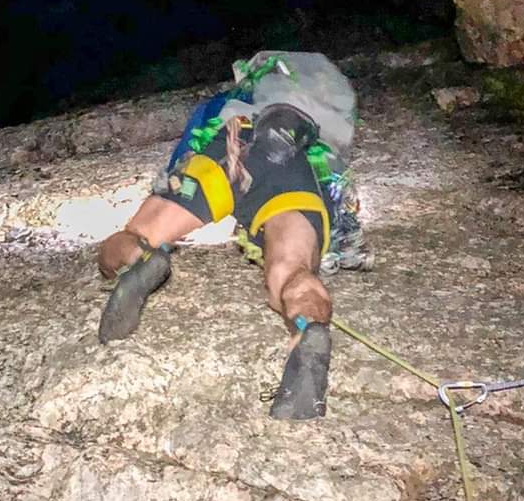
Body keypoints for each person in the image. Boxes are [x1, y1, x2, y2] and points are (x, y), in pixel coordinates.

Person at [96, 51, 370, 421]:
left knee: (138, 233)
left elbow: (189, 148)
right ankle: (309, 327)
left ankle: (137, 259)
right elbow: (340, 191)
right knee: (292, 270)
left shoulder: (232, 101)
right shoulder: (329, 119)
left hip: (237, 143)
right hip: (297, 172)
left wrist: (172, 195)